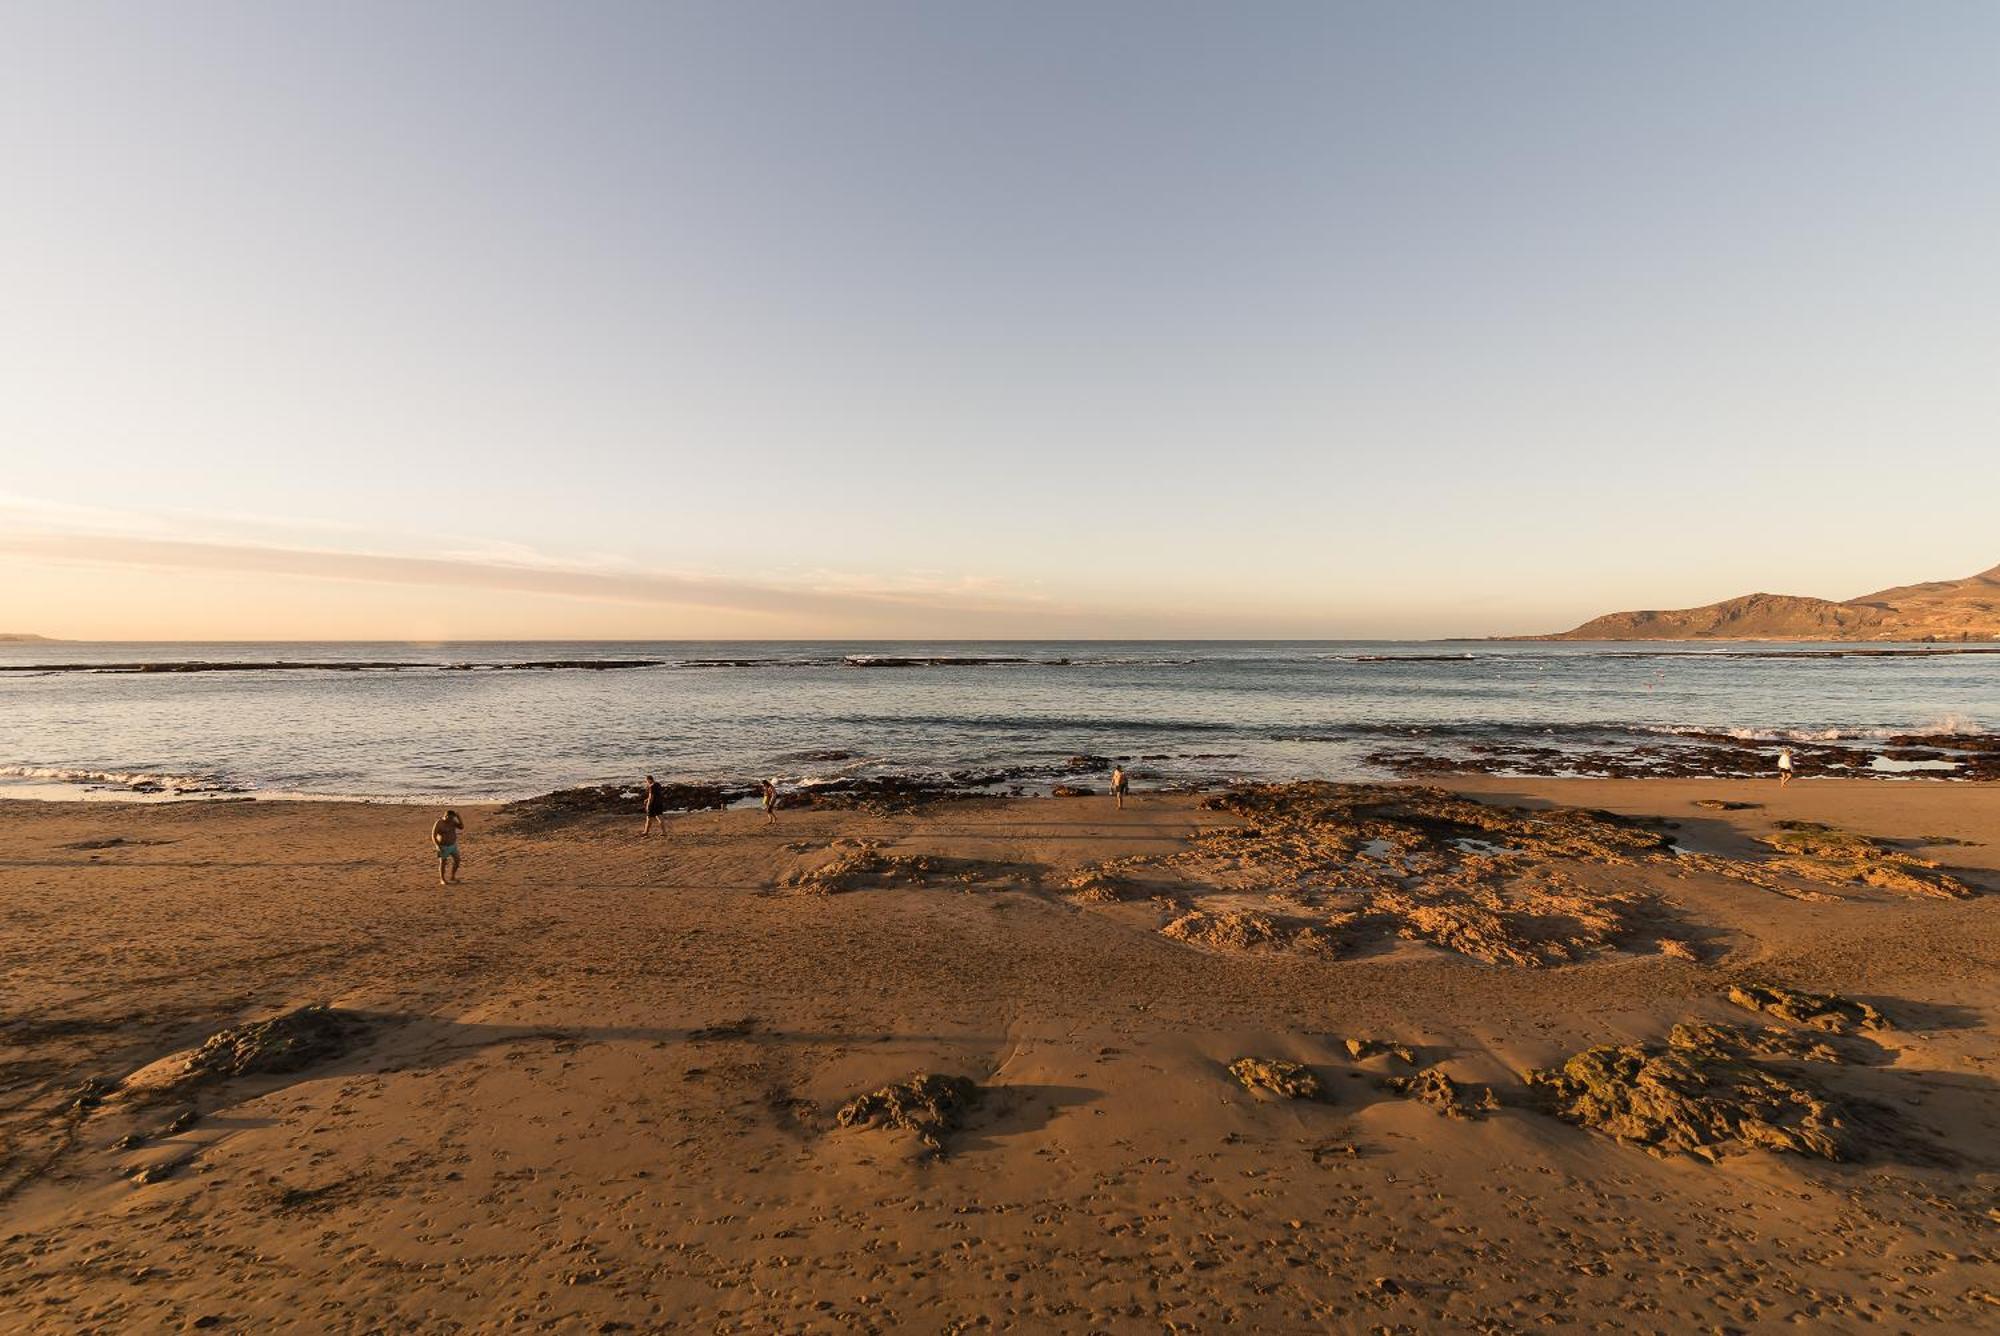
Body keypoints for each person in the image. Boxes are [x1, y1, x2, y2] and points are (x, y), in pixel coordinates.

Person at [432, 810, 463, 885]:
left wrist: (459, 817)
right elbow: (433, 836)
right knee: (443, 862)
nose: (451, 820)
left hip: (452, 845)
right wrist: (437, 846)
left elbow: (461, 827)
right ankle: (442, 879)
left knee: (457, 860)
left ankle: (453, 876)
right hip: (443, 846)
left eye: (453, 818)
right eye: (450, 818)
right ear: (446, 816)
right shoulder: (439, 823)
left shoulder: (452, 821)